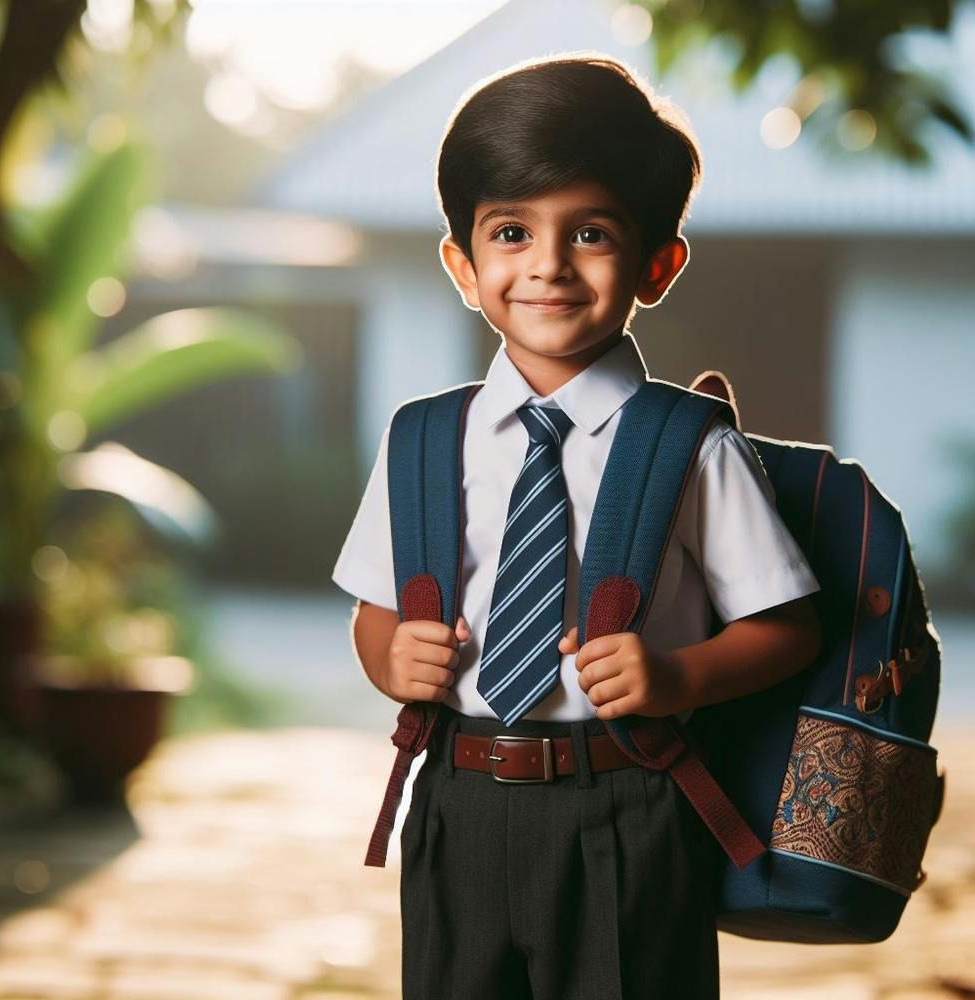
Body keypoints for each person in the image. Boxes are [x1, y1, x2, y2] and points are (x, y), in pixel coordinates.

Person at [331, 53, 823, 1000]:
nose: (548, 264)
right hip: (458, 800)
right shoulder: (422, 439)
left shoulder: (692, 446)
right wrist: (391, 657)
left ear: (657, 265)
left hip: (628, 805)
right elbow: (374, 607)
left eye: (591, 232)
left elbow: (787, 628)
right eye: (511, 232)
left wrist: (678, 676)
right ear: (463, 266)